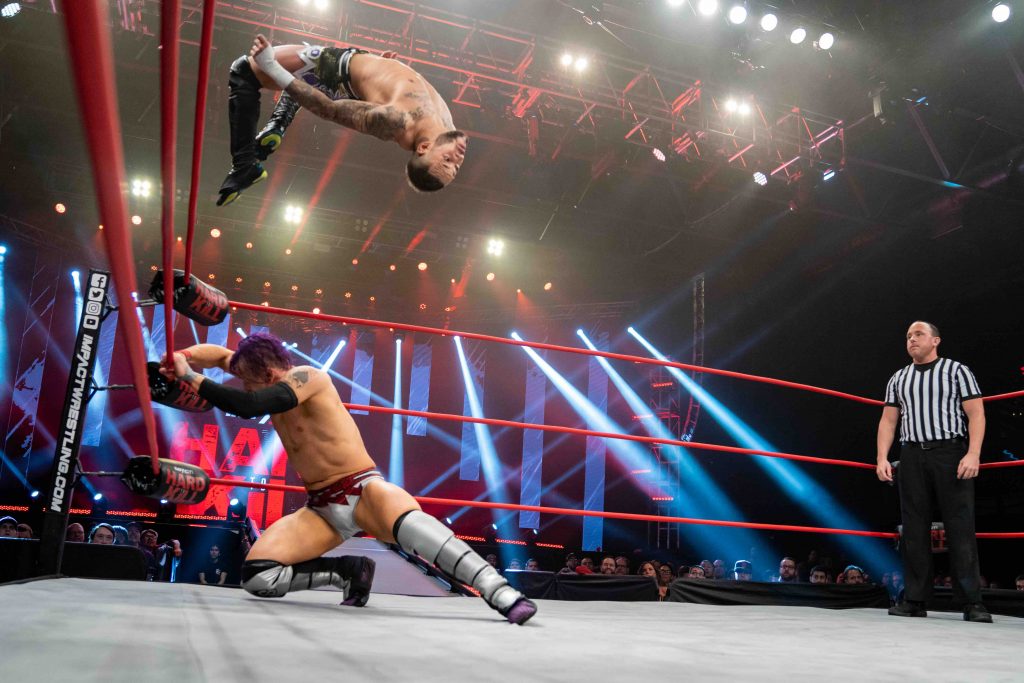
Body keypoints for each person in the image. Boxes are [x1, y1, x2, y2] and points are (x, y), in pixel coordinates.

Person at [161, 334, 535, 624]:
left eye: (247, 381)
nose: (242, 385)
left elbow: (249, 406)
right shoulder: (260, 374)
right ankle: (348, 572)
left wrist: (190, 377)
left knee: (414, 528)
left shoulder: (309, 378)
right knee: (258, 576)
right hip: (320, 509)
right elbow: (221, 356)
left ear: (270, 375)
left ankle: (501, 592)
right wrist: (183, 356)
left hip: (362, 490)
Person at [218, 34, 466, 205]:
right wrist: (382, 69)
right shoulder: (448, 128)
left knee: (244, 71)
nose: (457, 159)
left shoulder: (395, 122)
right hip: (360, 73)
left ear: (424, 148)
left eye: (448, 161)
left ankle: (244, 166)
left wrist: (271, 66)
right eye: (455, 167)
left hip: (334, 71)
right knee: (301, 84)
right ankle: (278, 124)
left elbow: (328, 109)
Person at [877, 321, 992, 623]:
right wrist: (882, 458)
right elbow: (888, 421)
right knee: (913, 529)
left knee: (960, 526)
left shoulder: (957, 371)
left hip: (949, 452)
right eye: (908, 336)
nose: (912, 339)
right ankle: (915, 599)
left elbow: (976, 413)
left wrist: (973, 453)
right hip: (911, 454)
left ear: (936, 340)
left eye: (919, 334)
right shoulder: (898, 378)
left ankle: (972, 602)